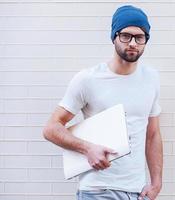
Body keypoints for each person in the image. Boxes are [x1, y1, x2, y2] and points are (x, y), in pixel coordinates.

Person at [43, 5, 163, 200]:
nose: (132, 43)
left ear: (145, 41)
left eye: (139, 37)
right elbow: (51, 128)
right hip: (97, 190)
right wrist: (87, 148)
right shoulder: (87, 79)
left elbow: (153, 134)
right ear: (114, 36)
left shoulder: (151, 79)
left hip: (137, 191)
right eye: (126, 35)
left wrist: (156, 182)